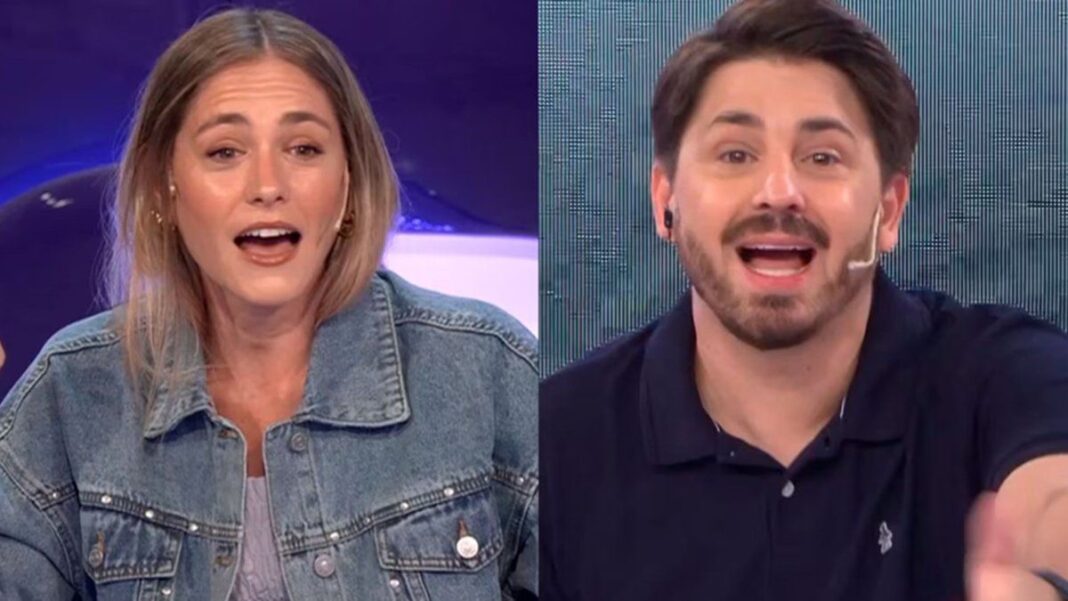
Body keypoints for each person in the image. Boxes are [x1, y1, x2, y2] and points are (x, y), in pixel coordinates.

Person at [0, 8, 537, 601]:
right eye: (225, 152)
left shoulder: (484, 369)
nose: (267, 186)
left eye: (303, 148)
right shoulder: (73, 392)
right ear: (163, 188)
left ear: (349, 184)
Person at [540, 1, 1068, 600]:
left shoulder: (1003, 373)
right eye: (735, 154)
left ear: (889, 210)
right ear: (666, 199)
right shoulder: (558, 442)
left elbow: (1051, 492)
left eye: (822, 157)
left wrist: (1045, 576)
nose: (779, 191)